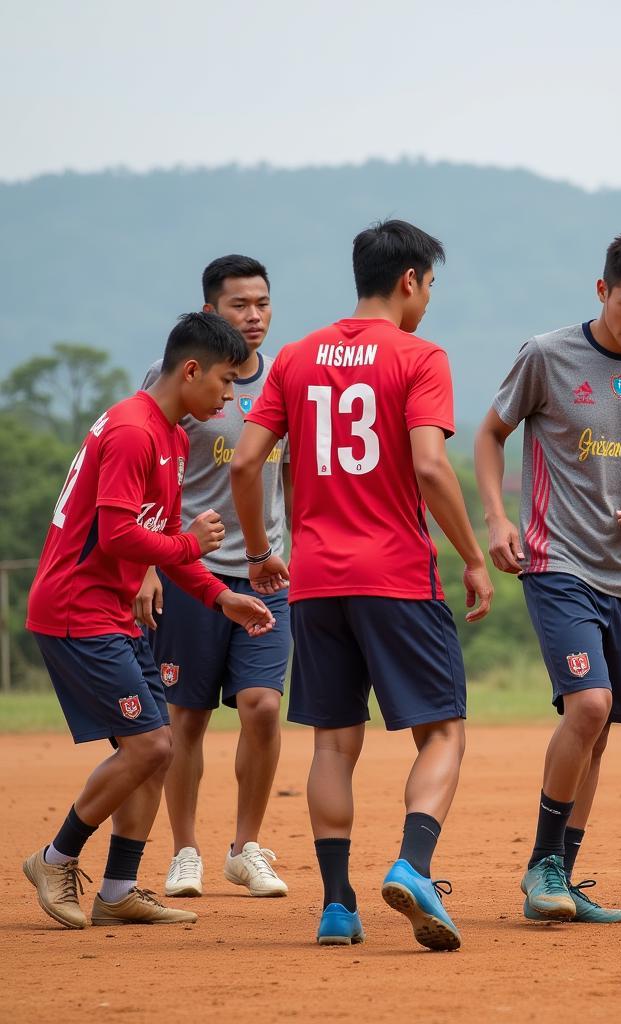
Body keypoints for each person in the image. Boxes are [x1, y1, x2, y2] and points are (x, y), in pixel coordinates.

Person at [230, 219, 493, 950]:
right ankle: (413, 864)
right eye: (429, 286)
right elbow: (433, 468)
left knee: (334, 744)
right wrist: (471, 556)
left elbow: (246, 464)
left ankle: (338, 906)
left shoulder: (294, 357)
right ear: (410, 280)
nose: (428, 301)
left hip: (313, 580)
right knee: (442, 730)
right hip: (397, 575)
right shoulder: (420, 356)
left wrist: (260, 552)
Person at [475, 230, 621, 924]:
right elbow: (489, 436)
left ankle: (562, 880)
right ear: (602, 290)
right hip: (556, 561)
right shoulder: (546, 355)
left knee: (600, 727)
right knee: (588, 706)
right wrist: (498, 520)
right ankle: (542, 866)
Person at [22, 312, 276, 929]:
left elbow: (157, 537)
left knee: (155, 751)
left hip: (111, 613)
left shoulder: (169, 433)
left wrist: (220, 597)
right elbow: (118, 535)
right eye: (221, 381)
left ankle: (117, 890)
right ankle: (54, 858)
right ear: (190, 370)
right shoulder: (136, 430)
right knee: (152, 744)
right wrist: (192, 545)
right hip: (77, 611)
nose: (226, 397)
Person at [135, 255, 291, 900]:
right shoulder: (175, 380)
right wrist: (148, 564)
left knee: (262, 707)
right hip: (186, 573)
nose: (253, 316)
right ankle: (186, 852)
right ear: (209, 312)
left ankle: (245, 847)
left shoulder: (285, 380)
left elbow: (298, 476)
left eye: (262, 303)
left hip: (268, 575)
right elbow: (141, 478)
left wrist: (299, 548)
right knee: (187, 718)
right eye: (238, 305)